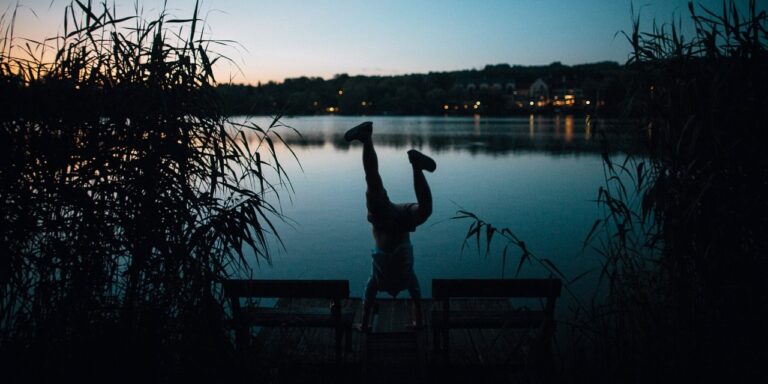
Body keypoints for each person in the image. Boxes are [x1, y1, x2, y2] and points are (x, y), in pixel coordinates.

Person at [344, 121, 436, 332]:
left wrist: (364, 325)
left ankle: (369, 140)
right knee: (376, 183)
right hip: (398, 219)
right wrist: (418, 322)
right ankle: (416, 167)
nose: (394, 293)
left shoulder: (382, 281)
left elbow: (371, 298)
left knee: (375, 183)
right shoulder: (399, 280)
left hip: (386, 220)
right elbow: (416, 298)